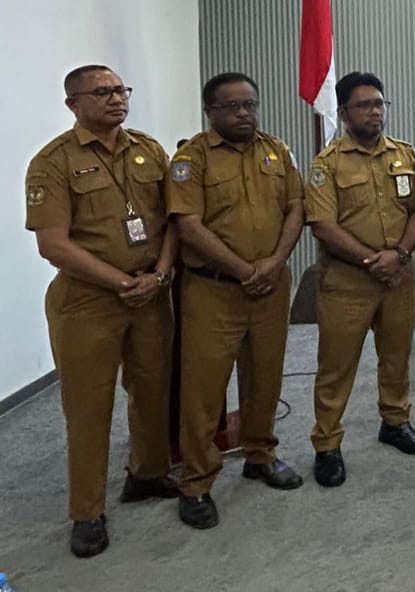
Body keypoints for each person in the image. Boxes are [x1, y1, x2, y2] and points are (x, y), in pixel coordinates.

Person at [24, 65, 179, 557]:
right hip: (88, 300)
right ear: (73, 104)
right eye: (102, 92)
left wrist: (160, 274)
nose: (116, 98)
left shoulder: (149, 150)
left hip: (150, 293)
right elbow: (53, 244)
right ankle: (87, 511)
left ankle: (147, 474)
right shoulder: (52, 163)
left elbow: (174, 220)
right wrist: (119, 282)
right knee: (89, 408)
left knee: (152, 389)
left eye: (120, 90)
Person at [167, 73, 305, 529]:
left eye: (251, 104)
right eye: (232, 106)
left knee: (265, 375)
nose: (244, 113)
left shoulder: (277, 151)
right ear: (211, 111)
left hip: (271, 286)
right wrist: (244, 270)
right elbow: (188, 225)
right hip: (213, 290)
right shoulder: (191, 159)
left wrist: (275, 262)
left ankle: (260, 454)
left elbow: (296, 208)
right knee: (204, 388)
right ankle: (196, 480)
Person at [305, 73, 415, 488]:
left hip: (399, 277)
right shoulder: (327, 165)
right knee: (336, 366)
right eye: (364, 105)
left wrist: (399, 255)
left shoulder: (405, 155)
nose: (375, 112)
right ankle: (327, 443)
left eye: (380, 103)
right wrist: (370, 260)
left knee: (396, 356)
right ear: (343, 113)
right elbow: (322, 225)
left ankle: (395, 421)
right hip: (347, 283)